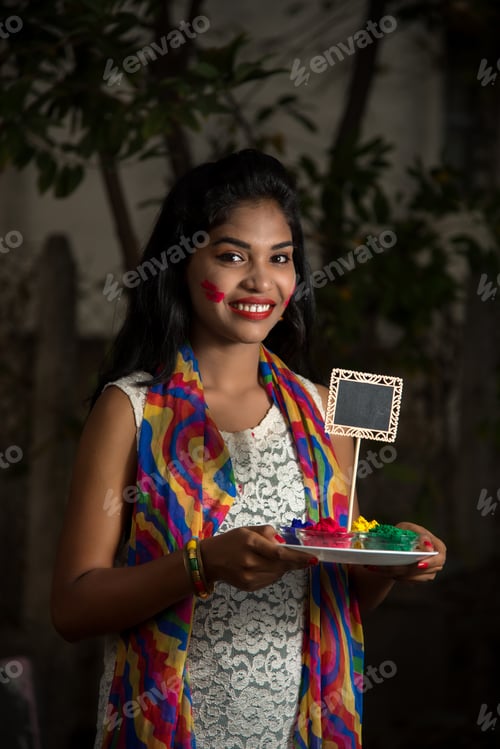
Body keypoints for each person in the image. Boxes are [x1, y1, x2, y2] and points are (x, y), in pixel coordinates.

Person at [51, 149, 446, 749]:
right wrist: (201, 565)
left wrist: (391, 558)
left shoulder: (330, 408)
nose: (262, 281)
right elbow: (73, 608)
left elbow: (344, 591)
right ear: (183, 264)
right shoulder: (130, 409)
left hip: (302, 731)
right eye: (233, 255)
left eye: (280, 258)